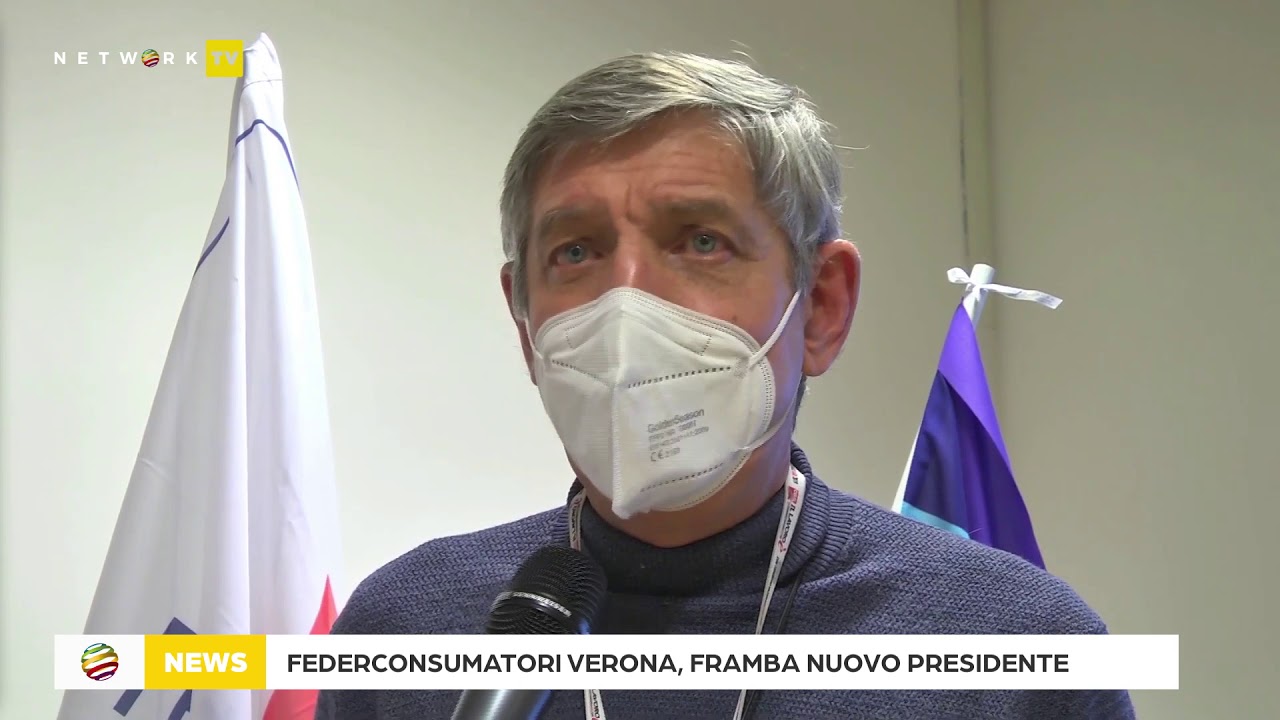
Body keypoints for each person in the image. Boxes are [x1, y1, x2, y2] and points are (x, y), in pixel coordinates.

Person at [315, 51, 1135, 720]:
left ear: (821, 306)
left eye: (700, 242)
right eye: (576, 252)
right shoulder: (406, 628)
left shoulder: (1017, 650)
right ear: (523, 321)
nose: (627, 306)